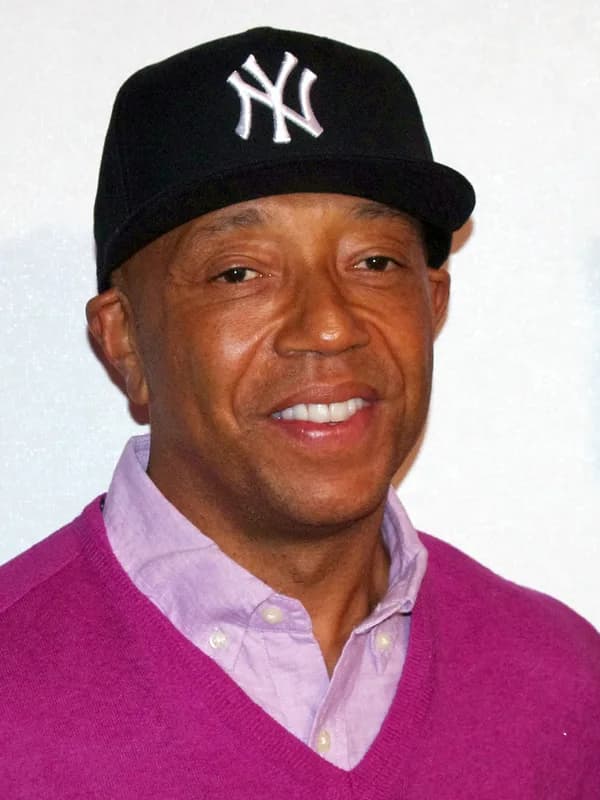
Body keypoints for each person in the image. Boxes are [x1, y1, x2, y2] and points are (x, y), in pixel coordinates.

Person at [1, 27, 598, 799]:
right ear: (124, 341)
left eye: (375, 262)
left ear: (433, 304)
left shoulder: (564, 690)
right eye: (238, 272)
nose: (329, 324)